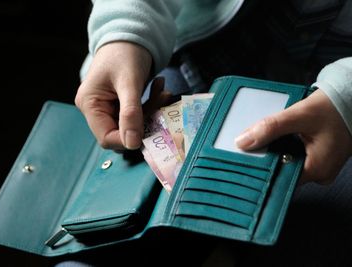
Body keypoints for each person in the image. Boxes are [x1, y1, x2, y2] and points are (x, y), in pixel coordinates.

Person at [71, 0, 351, 265]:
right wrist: (122, 34)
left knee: (307, 236)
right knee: (106, 241)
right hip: (190, 43)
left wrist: (345, 98)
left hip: (340, 109)